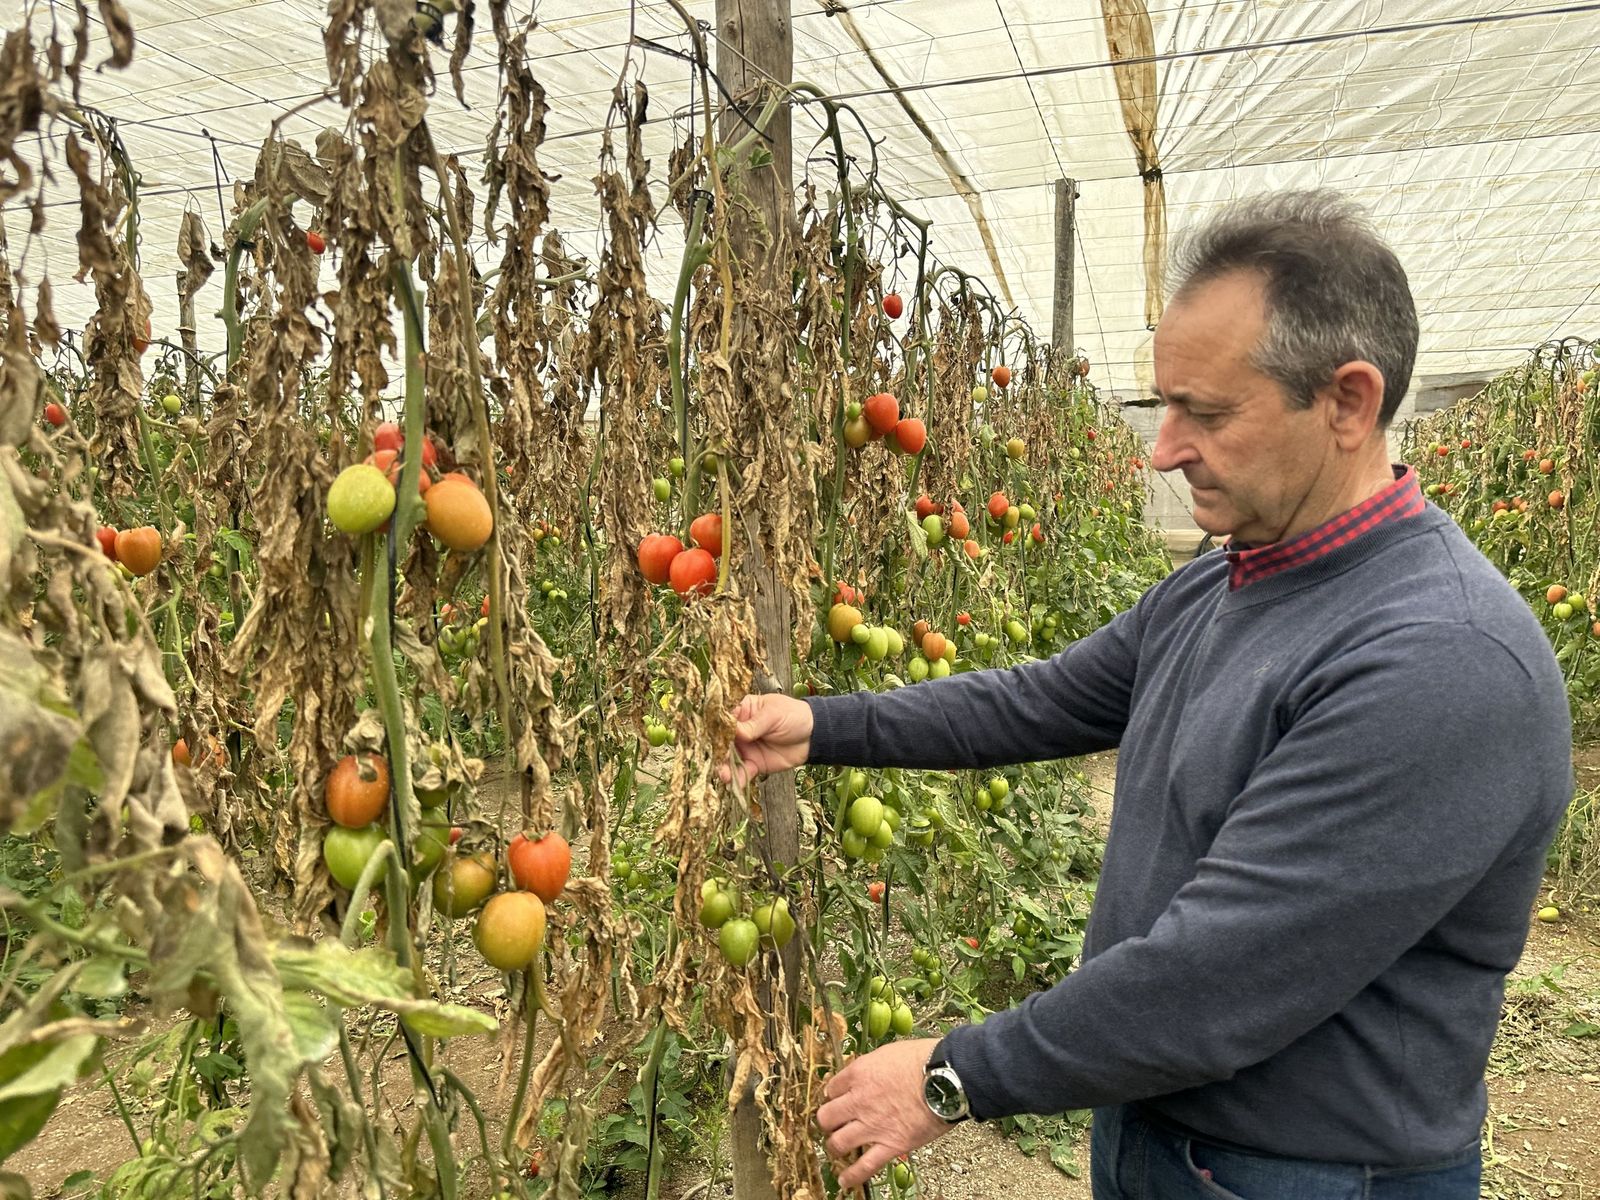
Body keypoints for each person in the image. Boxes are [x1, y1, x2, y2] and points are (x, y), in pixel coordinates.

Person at [726, 191, 1573, 1198]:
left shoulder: (1441, 658)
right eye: (1166, 406)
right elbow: (1036, 701)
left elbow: (1219, 977)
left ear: (1348, 402)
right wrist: (821, 726)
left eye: (1205, 414)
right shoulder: (1222, 582)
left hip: (1310, 1173)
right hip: (1161, 1128)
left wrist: (954, 1075)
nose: (1163, 449)